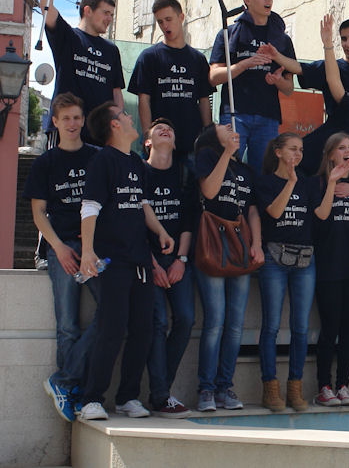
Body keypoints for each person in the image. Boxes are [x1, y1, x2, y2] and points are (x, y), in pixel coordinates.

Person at [77, 102, 175, 420]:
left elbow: (142, 204)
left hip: (140, 259)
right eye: (124, 115)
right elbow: (90, 207)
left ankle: (128, 397)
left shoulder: (135, 162)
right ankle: (92, 399)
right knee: (112, 328)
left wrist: (161, 231)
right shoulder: (102, 161)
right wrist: (88, 251)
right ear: (114, 125)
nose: (131, 117)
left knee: (143, 329)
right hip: (113, 259)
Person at [258, 133, 349, 412]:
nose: (297, 154)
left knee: (300, 327)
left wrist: (331, 183)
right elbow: (274, 212)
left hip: (304, 259)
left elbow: (322, 214)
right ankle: (270, 388)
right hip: (274, 257)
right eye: (292, 149)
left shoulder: (309, 183)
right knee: (271, 326)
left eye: (300, 150)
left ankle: (294, 387)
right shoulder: (266, 181)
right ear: (278, 152)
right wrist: (290, 182)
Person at [23, 93, 100, 422]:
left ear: (83, 120)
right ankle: (72, 392)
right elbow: (38, 213)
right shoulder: (45, 162)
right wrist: (59, 248)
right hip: (62, 248)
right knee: (68, 325)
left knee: (111, 312)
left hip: (95, 249)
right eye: (65, 118)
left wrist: (91, 247)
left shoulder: (97, 157)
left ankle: (64, 380)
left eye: (76, 117)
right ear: (54, 122)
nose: (72, 123)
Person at [193, 123, 264, 412]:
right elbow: (209, 192)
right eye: (223, 127)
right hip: (212, 242)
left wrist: (257, 243)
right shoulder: (207, 156)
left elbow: (252, 210)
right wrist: (226, 155)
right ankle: (206, 389)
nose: (230, 128)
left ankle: (225, 386)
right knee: (215, 321)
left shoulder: (246, 170)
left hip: (240, 246)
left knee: (235, 324)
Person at [270, 15, 349, 178]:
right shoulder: (331, 67)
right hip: (332, 133)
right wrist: (276, 56)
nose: (348, 44)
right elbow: (302, 69)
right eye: (344, 39)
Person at [40, 0, 125, 147]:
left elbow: (116, 93)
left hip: (99, 136)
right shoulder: (68, 37)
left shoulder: (111, 50)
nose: (109, 19)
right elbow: (46, 6)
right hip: (66, 132)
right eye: (105, 13)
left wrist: (118, 126)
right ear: (87, 10)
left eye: (112, 14)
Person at [209, 0, 295, 167]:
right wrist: (245, 64)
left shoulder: (282, 39)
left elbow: (289, 89)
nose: (269, 0)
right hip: (235, 113)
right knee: (228, 167)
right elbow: (213, 77)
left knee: (264, 172)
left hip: (268, 116)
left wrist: (278, 81)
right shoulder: (228, 33)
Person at [142, 119, 197, 418]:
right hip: (147, 260)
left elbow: (189, 220)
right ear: (147, 142)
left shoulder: (184, 172)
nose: (165, 130)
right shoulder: (139, 172)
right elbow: (134, 223)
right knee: (158, 322)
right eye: (158, 128)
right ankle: (161, 395)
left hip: (178, 260)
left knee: (186, 319)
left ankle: (161, 390)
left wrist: (181, 260)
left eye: (170, 130)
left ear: (175, 143)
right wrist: (152, 265)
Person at [311, 133, 349, 407]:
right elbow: (321, 216)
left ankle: (343, 384)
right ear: (330, 154)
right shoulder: (318, 183)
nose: (348, 151)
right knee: (330, 326)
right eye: (341, 147)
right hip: (329, 266)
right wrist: (333, 182)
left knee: (348, 328)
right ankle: (324, 386)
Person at [128, 0, 212, 161]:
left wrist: (208, 134)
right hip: (160, 142)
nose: (165, 26)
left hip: (192, 140)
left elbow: (204, 100)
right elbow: (143, 100)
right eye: (160, 22)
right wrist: (147, 135)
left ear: (181, 17)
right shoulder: (149, 57)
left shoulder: (198, 59)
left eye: (168, 19)